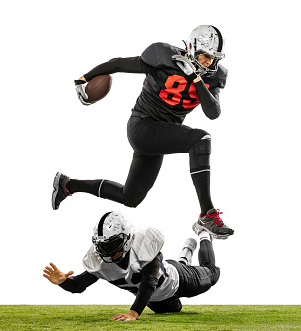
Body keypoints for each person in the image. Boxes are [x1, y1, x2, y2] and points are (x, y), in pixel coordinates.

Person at [51, 25, 233, 239]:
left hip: (161, 135)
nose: (208, 63)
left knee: (131, 197)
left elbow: (213, 112)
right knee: (200, 139)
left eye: (212, 58)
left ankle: (68, 184)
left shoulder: (214, 76)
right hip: (142, 126)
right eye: (204, 56)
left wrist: (195, 77)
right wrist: (83, 78)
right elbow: (118, 64)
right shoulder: (164, 57)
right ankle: (207, 213)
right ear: (192, 48)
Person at [43, 211, 220, 321]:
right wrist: (63, 282)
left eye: (111, 245)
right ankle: (184, 255)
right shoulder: (100, 261)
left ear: (127, 237)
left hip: (178, 280)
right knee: (175, 309)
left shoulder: (143, 243)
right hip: (154, 301)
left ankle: (203, 232)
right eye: (102, 246)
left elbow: (149, 281)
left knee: (212, 274)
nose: (107, 252)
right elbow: (79, 285)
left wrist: (133, 313)